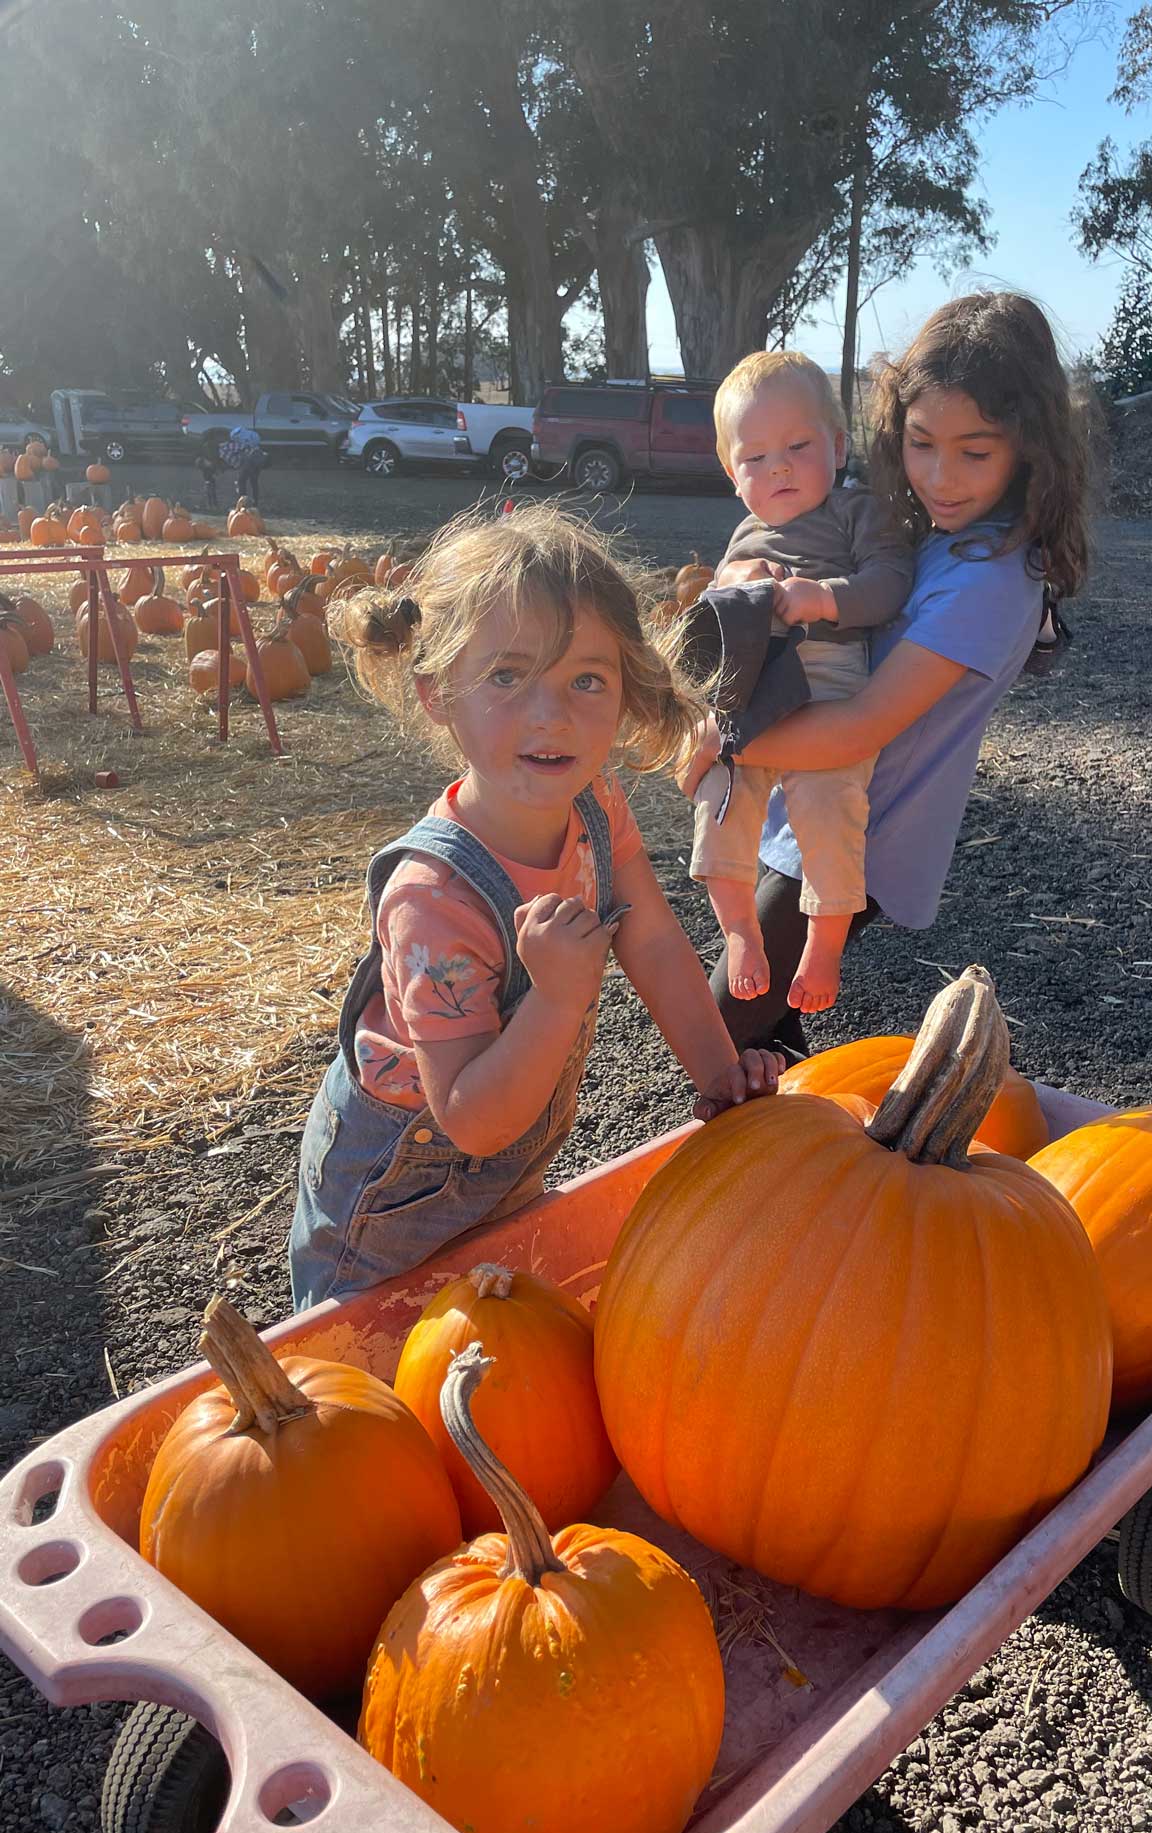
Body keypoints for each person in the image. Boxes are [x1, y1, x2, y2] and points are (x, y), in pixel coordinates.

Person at [289, 502, 783, 1309]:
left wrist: (721, 1078)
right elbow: (471, 1119)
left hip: (501, 1167)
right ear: (438, 694)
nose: (551, 713)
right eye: (508, 676)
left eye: (586, 679)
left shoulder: (596, 802)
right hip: (391, 1205)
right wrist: (557, 996)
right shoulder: (434, 901)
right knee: (371, 1376)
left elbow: (653, 939)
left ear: (626, 690)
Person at [680, 292, 1093, 1059]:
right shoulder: (946, 538)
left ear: (1030, 447)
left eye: (976, 452)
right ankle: (793, 1162)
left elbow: (864, 724)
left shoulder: (990, 579)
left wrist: (720, 740)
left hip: (861, 823)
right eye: (920, 442)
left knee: (716, 1030)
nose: (941, 476)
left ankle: (751, 1169)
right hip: (810, 797)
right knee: (762, 1031)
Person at [689, 351, 913, 1014]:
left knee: (831, 803)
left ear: (838, 446)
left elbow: (890, 582)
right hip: (755, 682)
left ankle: (823, 942)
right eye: (754, 458)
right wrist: (734, 585)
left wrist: (823, 597)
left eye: (797, 446)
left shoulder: (853, 512)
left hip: (830, 677)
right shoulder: (743, 533)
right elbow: (710, 612)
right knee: (721, 796)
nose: (778, 467)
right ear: (732, 475)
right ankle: (740, 931)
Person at [220, 425, 267, 507]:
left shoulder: (236, 444)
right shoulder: (254, 439)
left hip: (247, 462)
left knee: (241, 481)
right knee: (254, 482)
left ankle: (242, 503)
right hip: (256, 460)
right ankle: (255, 503)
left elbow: (231, 449)